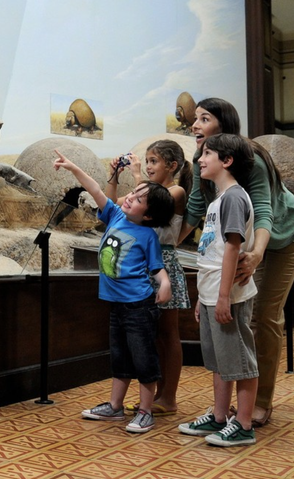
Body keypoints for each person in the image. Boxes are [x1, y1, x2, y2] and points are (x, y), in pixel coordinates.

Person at [178, 97, 294, 428]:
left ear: (223, 126)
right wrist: (163, 247)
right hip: (244, 241)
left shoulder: (253, 160)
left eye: (204, 119)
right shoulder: (202, 160)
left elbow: (263, 210)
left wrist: (257, 255)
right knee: (241, 319)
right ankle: (228, 408)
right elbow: (195, 209)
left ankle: (259, 403)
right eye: (195, 118)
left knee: (264, 315)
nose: (194, 125)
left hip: (282, 236)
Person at [53, 149, 175, 434]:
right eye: (133, 193)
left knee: (144, 358)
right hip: (117, 305)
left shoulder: (147, 235)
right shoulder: (116, 216)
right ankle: (115, 406)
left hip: (139, 306)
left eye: (139, 199)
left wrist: (166, 283)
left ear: (149, 215)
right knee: (119, 356)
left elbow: (157, 267)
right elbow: (95, 190)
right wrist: (73, 167)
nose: (130, 198)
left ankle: (145, 411)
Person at [178, 133, 259, 446]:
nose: (200, 160)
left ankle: (244, 424)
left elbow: (232, 248)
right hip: (213, 293)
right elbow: (211, 253)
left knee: (240, 361)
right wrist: (205, 297)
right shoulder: (217, 200)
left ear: (227, 161)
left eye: (207, 154)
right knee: (220, 361)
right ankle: (219, 415)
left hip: (230, 296)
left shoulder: (235, 198)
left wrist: (224, 297)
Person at [107, 141, 192, 416]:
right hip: (142, 264)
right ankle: (156, 393)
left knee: (168, 333)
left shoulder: (176, 191)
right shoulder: (144, 190)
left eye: (154, 161)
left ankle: (169, 396)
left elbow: (149, 201)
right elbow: (112, 205)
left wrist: (136, 176)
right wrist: (114, 177)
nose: (148, 166)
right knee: (149, 333)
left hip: (163, 263)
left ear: (172, 166)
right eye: (147, 161)